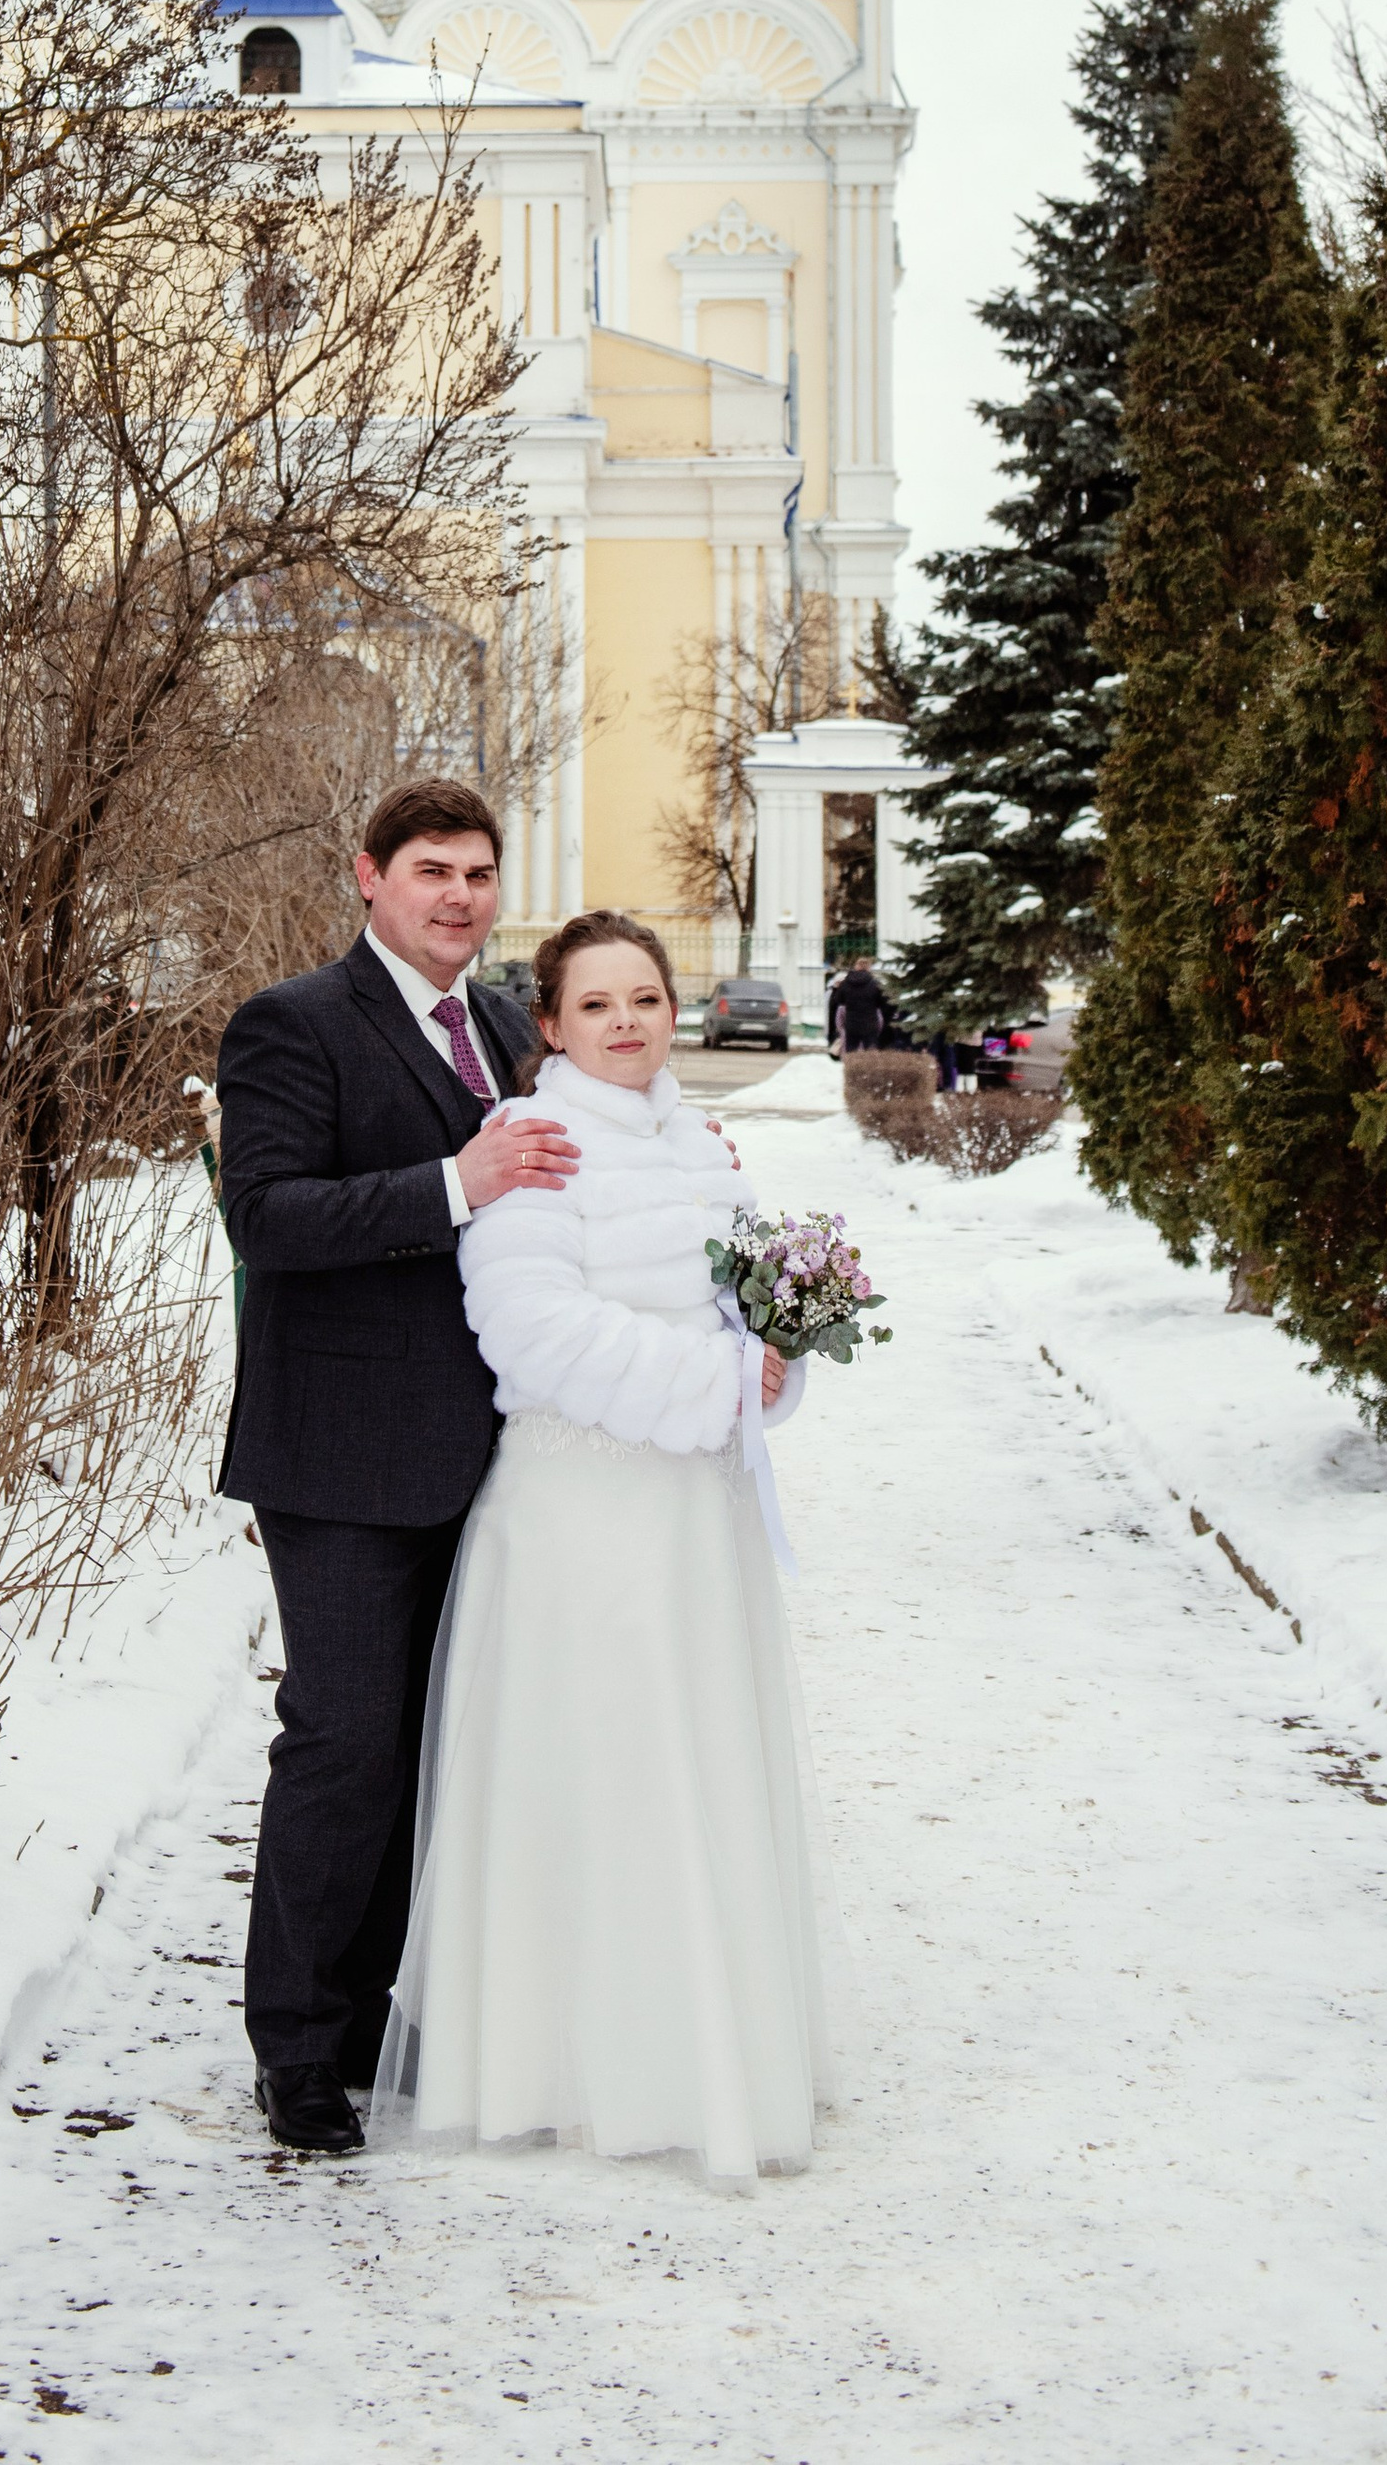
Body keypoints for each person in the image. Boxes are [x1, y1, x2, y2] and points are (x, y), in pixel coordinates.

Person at [372, 910, 838, 2186]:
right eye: (597, 1004)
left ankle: (705, 2046)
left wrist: (778, 1360)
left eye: (646, 997)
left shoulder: (704, 1145)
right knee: (599, 1777)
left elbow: (750, 1311)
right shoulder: (531, 1147)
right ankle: (562, 2062)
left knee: (698, 1767)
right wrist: (719, 1380)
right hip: (583, 1517)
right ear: (551, 1025)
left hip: (698, 1515)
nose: (628, 1021)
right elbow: (532, 1333)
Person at [213, 779, 573, 2156]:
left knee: (431, 1747)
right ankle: (297, 2045)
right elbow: (271, 1212)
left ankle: (368, 2016)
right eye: (432, 868)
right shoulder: (294, 1022)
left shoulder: (496, 1023)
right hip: (342, 1452)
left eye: (479, 871)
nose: (460, 895)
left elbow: (552, 1173)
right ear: (367, 875)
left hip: (486, 1447)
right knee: (345, 1740)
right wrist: (452, 1184)